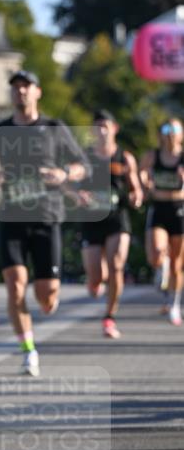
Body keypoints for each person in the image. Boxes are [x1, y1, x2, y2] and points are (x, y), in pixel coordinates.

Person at [0, 70, 89, 376]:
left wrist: (64, 174)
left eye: (26, 87)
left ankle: (50, 294)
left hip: (46, 217)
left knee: (46, 297)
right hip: (11, 217)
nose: (20, 92)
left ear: (37, 92)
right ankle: (28, 349)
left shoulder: (54, 128)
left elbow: (82, 165)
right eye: (15, 88)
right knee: (15, 286)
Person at [76, 110, 142, 339]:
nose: (101, 130)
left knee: (116, 265)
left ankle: (109, 317)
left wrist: (136, 197)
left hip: (117, 218)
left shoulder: (125, 158)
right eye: (97, 126)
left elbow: (136, 190)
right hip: (92, 220)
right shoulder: (85, 156)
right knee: (95, 277)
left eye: (105, 125)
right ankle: (96, 281)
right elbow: (73, 183)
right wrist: (79, 194)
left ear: (115, 128)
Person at [139, 118, 184, 326]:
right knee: (157, 253)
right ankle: (160, 266)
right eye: (166, 128)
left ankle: (174, 304)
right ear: (161, 133)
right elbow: (141, 175)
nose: (171, 133)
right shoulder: (152, 155)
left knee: (178, 264)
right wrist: (145, 182)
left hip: (179, 209)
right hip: (159, 208)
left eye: (175, 129)